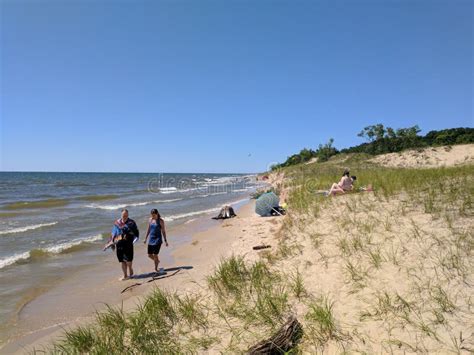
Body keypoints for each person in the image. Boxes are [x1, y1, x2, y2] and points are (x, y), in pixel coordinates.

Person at [110, 209, 139, 280]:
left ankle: (130, 269)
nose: (125, 216)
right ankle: (125, 275)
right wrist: (112, 242)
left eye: (126, 215)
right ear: (121, 215)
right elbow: (113, 233)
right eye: (123, 215)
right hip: (119, 244)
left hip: (128, 243)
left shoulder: (131, 223)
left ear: (128, 215)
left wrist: (132, 237)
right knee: (122, 261)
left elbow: (136, 232)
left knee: (129, 260)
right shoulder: (117, 223)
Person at [144, 208, 168, 273]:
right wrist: (146, 238)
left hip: (158, 240)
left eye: (154, 215)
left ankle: (156, 268)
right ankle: (157, 261)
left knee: (155, 255)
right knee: (149, 255)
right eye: (152, 215)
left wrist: (165, 240)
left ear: (157, 214)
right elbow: (148, 229)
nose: (153, 216)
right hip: (151, 239)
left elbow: (163, 231)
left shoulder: (160, 221)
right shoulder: (150, 220)